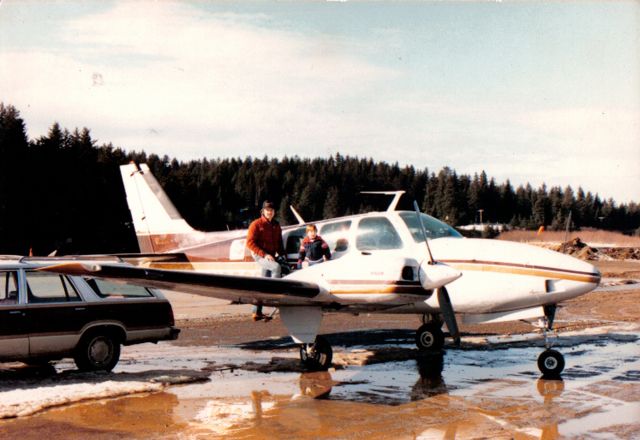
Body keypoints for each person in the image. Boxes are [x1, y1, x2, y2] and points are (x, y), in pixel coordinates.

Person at [246, 200, 286, 321]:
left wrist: (283, 255)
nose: (270, 212)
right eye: (267, 210)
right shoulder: (256, 224)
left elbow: (279, 242)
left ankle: (256, 312)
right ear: (263, 211)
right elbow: (249, 243)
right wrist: (264, 254)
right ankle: (275, 298)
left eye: (272, 210)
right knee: (276, 268)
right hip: (259, 255)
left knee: (263, 283)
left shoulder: (276, 225)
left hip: (271, 255)